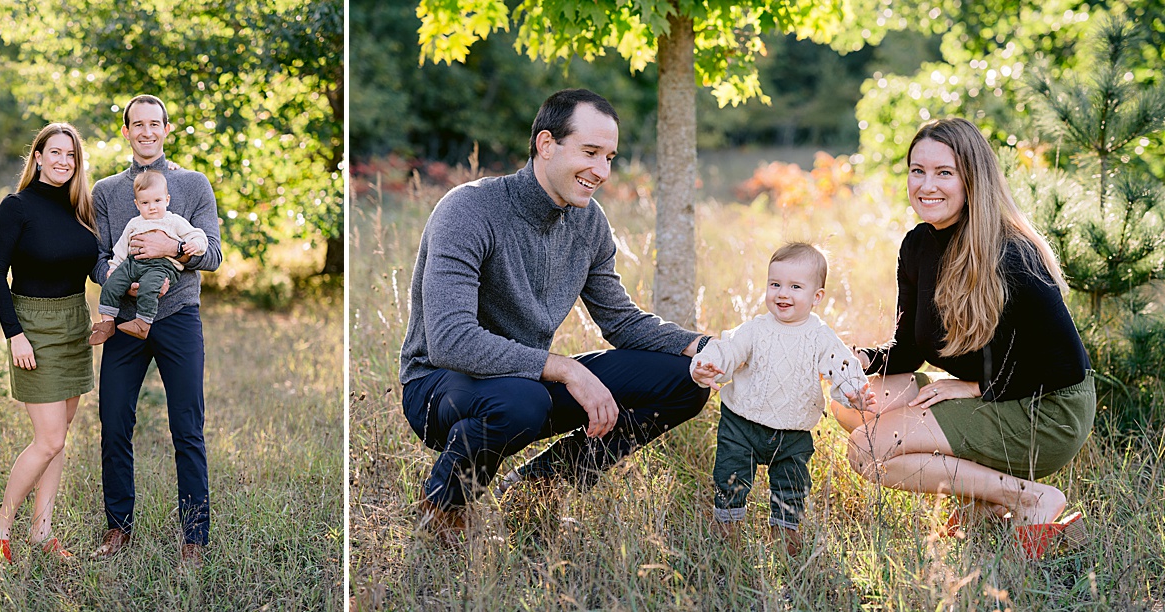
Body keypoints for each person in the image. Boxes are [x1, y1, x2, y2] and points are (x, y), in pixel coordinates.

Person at [399, 88, 711, 545]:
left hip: (526, 384)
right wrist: (566, 369)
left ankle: (539, 484)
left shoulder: (589, 222)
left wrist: (703, 346)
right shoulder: (467, 210)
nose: (602, 171)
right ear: (547, 145)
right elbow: (450, 340)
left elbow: (621, 321)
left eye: (609, 157)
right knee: (523, 402)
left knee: (685, 382)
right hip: (440, 385)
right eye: (590, 153)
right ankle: (443, 508)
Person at [836, 117, 1094, 559]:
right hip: (1000, 395)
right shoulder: (918, 245)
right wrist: (851, 358)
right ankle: (982, 502)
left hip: (1046, 410)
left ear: (971, 179)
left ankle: (1028, 498)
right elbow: (910, 350)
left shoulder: (1010, 252)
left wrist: (975, 387)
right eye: (918, 171)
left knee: (867, 450)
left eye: (944, 172)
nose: (926, 185)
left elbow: (1064, 368)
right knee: (851, 400)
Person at [89, 94, 222, 564]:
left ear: (167, 129)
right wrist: (123, 289)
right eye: (137, 125)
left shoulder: (193, 184)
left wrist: (175, 247)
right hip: (126, 323)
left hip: (180, 317)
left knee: (187, 426)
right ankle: (118, 527)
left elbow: (215, 255)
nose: (146, 132)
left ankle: (194, 536)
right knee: (115, 423)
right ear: (125, 132)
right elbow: (100, 259)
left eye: (154, 124)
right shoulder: (105, 191)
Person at [691, 242, 875, 556]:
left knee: (791, 488)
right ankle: (726, 538)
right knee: (729, 479)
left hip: (793, 433)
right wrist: (706, 366)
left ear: (816, 297)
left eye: (795, 287)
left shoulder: (820, 336)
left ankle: (786, 540)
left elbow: (841, 364)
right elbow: (728, 348)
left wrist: (853, 391)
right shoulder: (755, 329)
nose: (782, 294)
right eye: (775, 284)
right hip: (741, 424)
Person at [0, 123, 98, 562]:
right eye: (55, 153)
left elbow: (92, 268)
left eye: (71, 155)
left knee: (60, 436)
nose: (63, 162)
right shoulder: (16, 207)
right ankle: (0, 526)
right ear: (37, 157)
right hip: (33, 325)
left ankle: (42, 531)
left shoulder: (79, 206)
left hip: (74, 324)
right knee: (48, 440)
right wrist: (15, 334)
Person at [88, 170, 206, 344]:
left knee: (149, 287)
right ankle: (107, 323)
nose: (152, 207)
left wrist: (195, 244)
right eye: (145, 202)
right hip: (133, 263)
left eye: (157, 201)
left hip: (162, 266)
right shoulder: (134, 223)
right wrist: (113, 268)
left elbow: (198, 235)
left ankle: (142, 323)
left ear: (167, 199)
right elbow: (121, 247)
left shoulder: (173, 221)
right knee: (112, 283)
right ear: (137, 204)